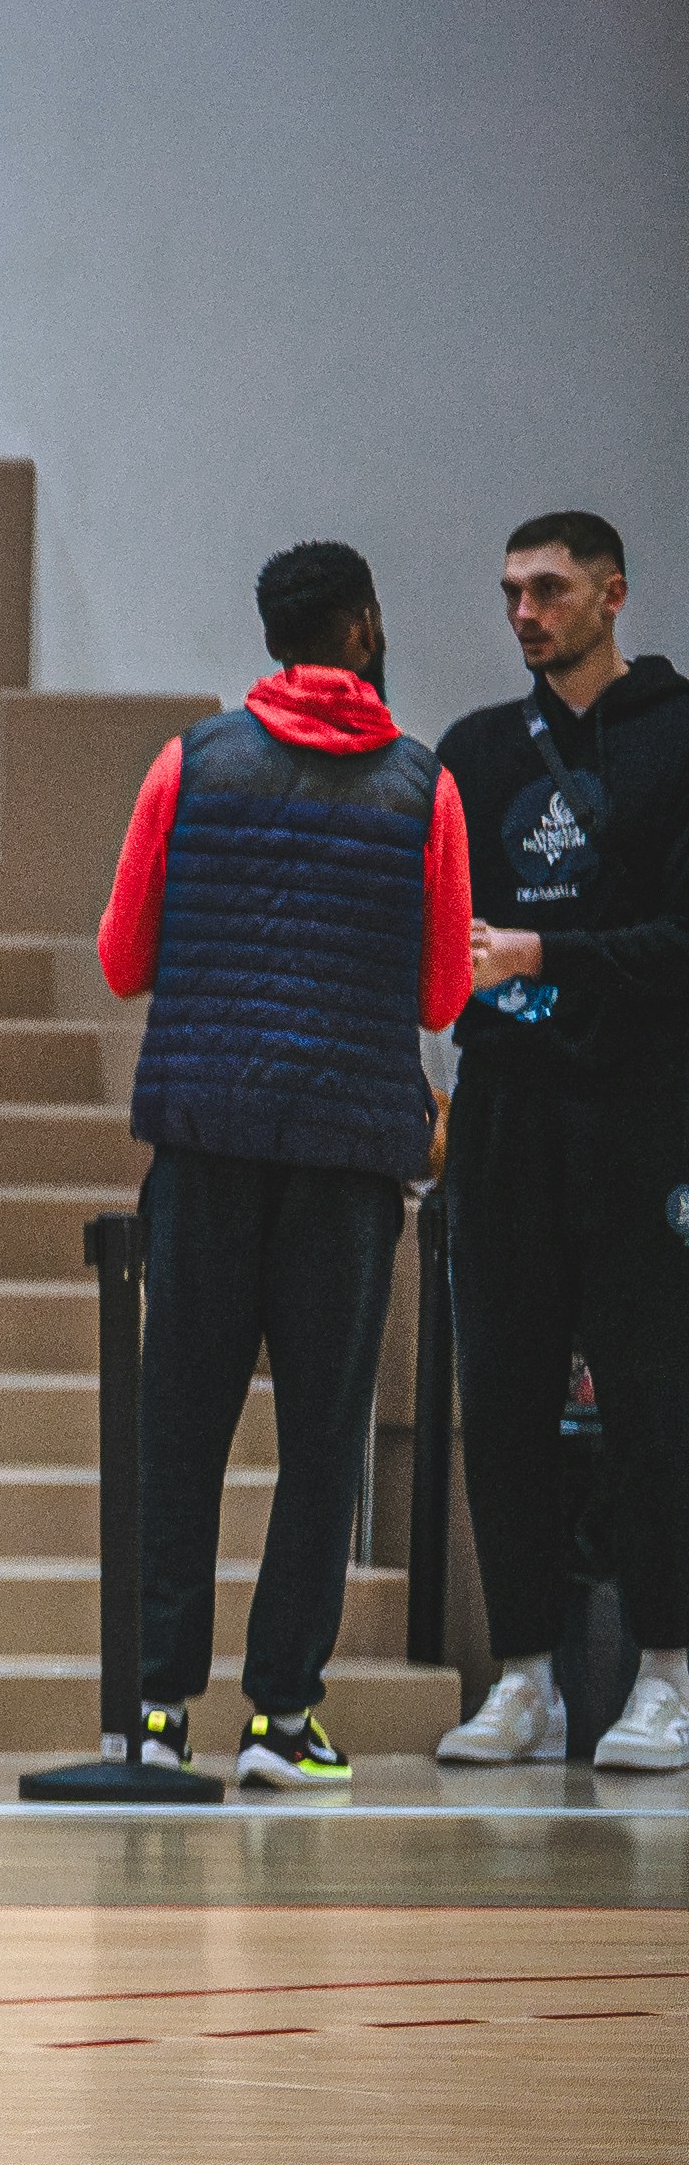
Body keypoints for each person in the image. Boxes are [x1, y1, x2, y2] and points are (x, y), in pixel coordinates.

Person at [93, 542, 469, 1790]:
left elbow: (120, 957)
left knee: (179, 1435)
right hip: (347, 1161)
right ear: (364, 627)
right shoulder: (428, 788)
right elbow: (437, 989)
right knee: (321, 1444)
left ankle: (153, 1712)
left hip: (204, 1143)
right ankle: (281, 1717)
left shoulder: (187, 763)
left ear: (271, 640)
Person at [430, 513, 689, 1774]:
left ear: (613, 596)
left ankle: (664, 1675)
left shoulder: (681, 738)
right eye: (509, 592)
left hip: (645, 1114)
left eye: (548, 589)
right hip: (505, 1112)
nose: (524, 612)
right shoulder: (473, 751)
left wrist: (542, 954)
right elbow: (438, 941)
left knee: (652, 1398)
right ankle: (523, 1678)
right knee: (507, 1397)